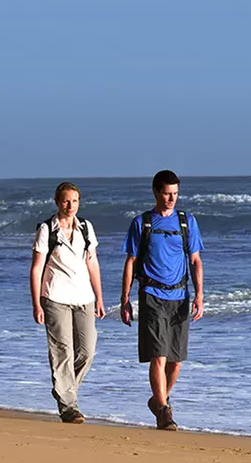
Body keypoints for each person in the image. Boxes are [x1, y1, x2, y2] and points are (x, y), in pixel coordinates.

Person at [120, 169, 203, 430]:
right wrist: (125, 299)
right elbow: (131, 262)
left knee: (176, 360)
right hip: (152, 295)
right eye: (167, 193)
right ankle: (164, 411)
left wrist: (200, 295)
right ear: (156, 192)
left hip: (180, 296)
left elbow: (196, 261)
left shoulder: (186, 222)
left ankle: (159, 400)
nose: (171, 199)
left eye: (175, 194)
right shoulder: (142, 223)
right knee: (159, 356)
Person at [29, 181, 104, 423]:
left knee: (87, 351)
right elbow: (37, 268)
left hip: (84, 297)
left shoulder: (86, 227)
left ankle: (63, 388)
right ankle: (68, 406)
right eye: (65, 200)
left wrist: (100, 297)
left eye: (74, 201)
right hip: (55, 297)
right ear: (57, 202)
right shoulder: (46, 230)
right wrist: (37, 304)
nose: (70, 205)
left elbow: (92, 263)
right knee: (63, 353)